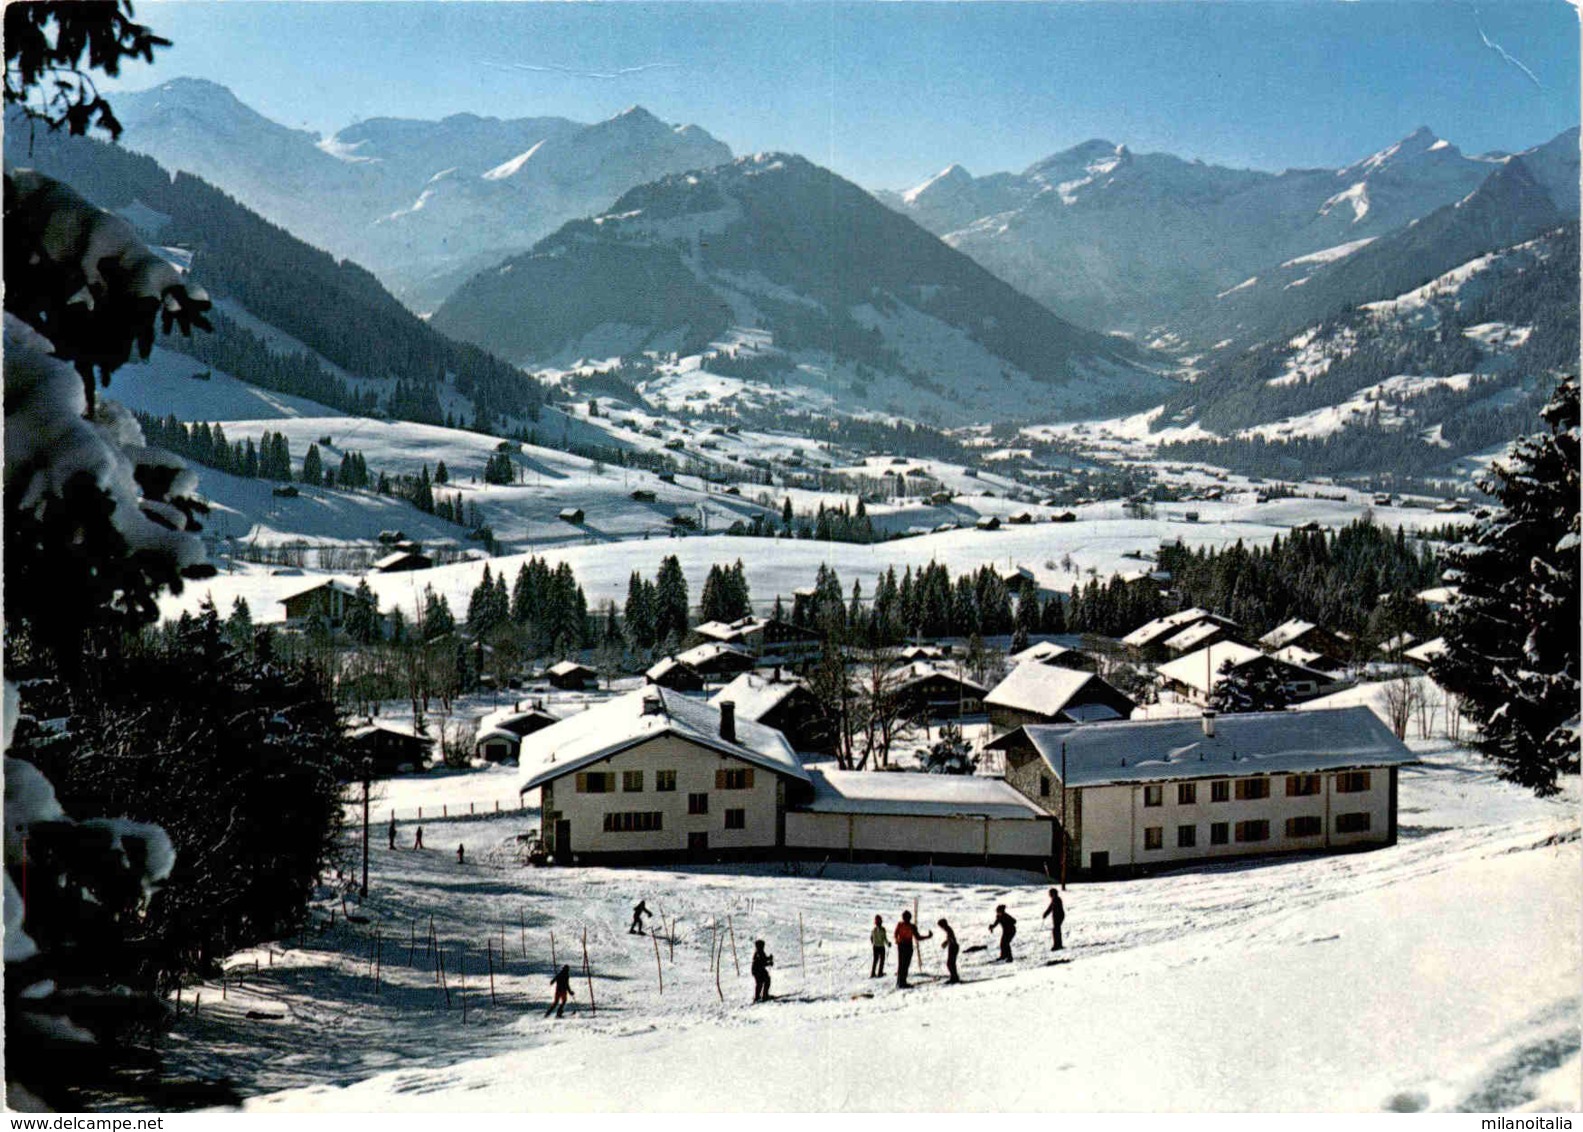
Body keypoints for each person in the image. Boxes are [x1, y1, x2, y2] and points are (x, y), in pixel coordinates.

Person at [893, 910, 932, 989]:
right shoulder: (911, 926)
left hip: (901, 946)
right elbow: (918, 937)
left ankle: (900, 982)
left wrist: (897, 940)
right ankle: (902, 982)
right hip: (907, 946)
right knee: (905, 964)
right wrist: (928, 936)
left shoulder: (900, 925)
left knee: (901, 964)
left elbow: (895, 934)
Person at [937, 918, 961, 984]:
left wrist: (946, 943)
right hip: (953, 946)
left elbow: (951, 938)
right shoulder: (948, 929)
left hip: (953, 947)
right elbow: (950, 938)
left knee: (950, 963)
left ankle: (954, 977)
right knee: (951, 963)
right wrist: (946, 943)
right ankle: (954, 977)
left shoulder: (948, 929)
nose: (941, 928)